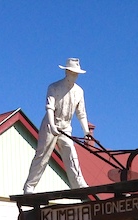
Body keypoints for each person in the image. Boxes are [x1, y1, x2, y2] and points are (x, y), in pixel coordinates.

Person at [22, 58, 93, 194]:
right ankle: (29, 186)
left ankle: (78, 185)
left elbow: (81, 114)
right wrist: (52, 125)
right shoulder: (54, 87)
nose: (75, 76)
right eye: (72, 72)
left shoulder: (79, 91)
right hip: (50, 124)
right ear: (66, 71)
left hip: (66, 126)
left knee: (71, 154)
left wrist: (86, 132)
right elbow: (49, 108)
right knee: (43, 155)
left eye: (76, 73)